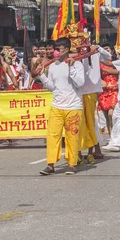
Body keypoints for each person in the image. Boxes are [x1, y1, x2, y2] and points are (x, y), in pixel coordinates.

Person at [36, 37, 85, 175]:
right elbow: (53, 87)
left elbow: (80, 83)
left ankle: (72, 164)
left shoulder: (77, 65)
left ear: (67, 50)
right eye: (55, 49)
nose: (56, 52)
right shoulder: (52, 66)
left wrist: (71, 68)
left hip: (73, 106)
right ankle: (50, 165)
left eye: (58, 49)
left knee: (72, 137)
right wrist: (43, 78)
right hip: (57, 105)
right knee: (52, 136)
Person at [78, 43, 111, 163]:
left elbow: (108, 56)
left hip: (92, 91)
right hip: (77, 92)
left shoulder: (95, 51)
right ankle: (78, 152)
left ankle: (95, 149)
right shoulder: (74, 52)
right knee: (79, 122)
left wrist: (98, 48)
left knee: (93, 121)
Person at [97, 43, 118, 135]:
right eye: (104, 49)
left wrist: (104, 70)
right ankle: (111, 135)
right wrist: (101, 80)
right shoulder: (99, 63)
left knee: (111, 114)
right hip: (104, 90)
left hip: (114, 89)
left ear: (112, 51)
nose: (106, 51)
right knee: (106, 116)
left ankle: (115, 134)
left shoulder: (116, 61)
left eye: (107, 49)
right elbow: (97, 75)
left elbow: (118, 71)